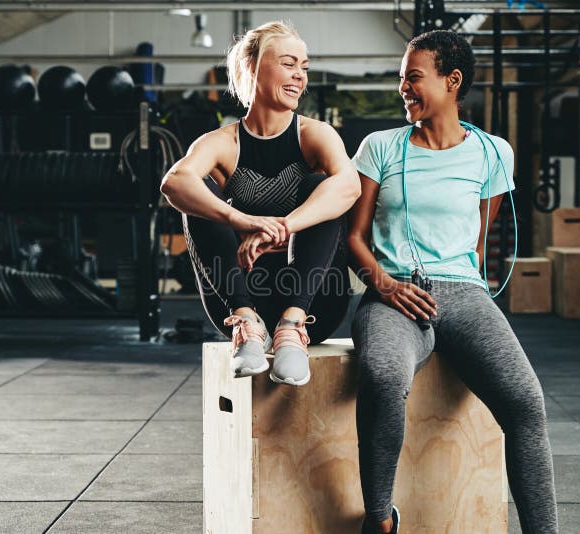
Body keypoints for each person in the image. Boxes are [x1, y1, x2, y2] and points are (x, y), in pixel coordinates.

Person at [348, 30, 558, 533]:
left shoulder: (493, 153)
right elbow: (351, 238)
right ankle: (378, 519)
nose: (403, 87)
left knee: (527, 405)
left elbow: (479, 239)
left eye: (413, 77)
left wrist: (466, 294)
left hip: (465, 294)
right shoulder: (379, 147)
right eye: (402, 79)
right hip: (392, 293)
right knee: (382, 374)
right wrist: (386, 286)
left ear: (452, 81)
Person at [161, 21, 359, 386]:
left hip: (314, 305)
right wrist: (241, 220)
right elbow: (173, 182)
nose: (299, 76)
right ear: (251, 67)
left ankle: (290, 326)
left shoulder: (315, 135)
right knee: (197, 193)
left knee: (323, 185)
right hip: (239, 302)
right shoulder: (223, 142)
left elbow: (349, 186)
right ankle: (249, 323)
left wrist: (284, 226)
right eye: (288, 63)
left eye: (304, 67)